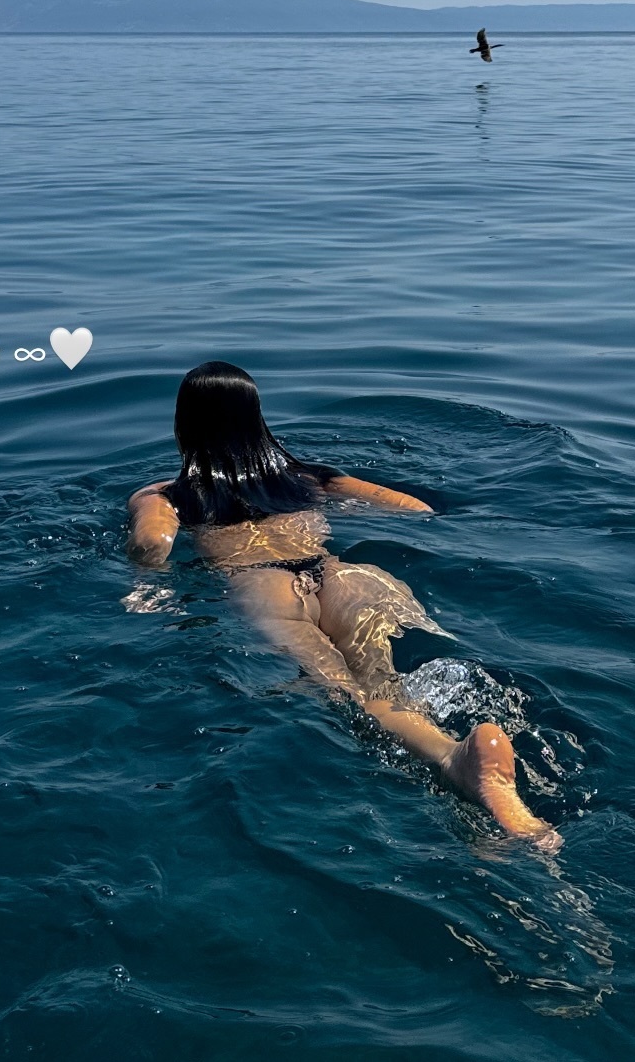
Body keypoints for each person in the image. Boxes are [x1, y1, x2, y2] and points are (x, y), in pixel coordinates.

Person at [127, 361, 558, 845]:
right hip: (343, 576)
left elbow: (153, 543)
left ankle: (449, 759)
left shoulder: (167, 495)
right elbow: (413, 508)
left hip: (262, 583)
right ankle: (474, 769)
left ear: (184, 424)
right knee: (386, 688)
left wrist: (146, 579)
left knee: (347, 698)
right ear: (256, 417)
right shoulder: (311, 479)